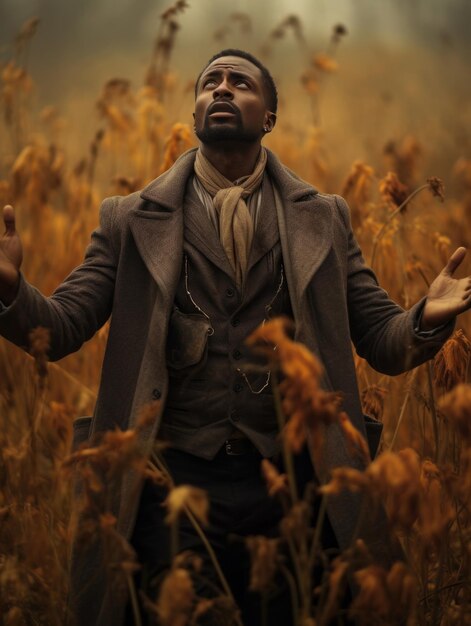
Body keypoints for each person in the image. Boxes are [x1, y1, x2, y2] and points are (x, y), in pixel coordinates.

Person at [0, 48, 470, 626]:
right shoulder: (129, 218)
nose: (220, 90)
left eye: (239, 83)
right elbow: (61, 326)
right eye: (209, 83)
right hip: (168, 489)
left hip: (294, 486)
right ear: (196, 110)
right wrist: (9, 290)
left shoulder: (322, 217)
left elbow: (379, 335)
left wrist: (429, 315)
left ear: (269, 116)